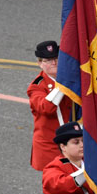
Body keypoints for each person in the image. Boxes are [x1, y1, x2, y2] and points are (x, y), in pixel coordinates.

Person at [28, 40, 74, 171]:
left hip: (73, 141)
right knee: (57, 185)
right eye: (47, 60)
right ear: (40, 63)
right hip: (51, 146)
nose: (53, 63)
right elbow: (46, 108)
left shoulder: (71, 78)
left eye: (56, 58)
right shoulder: (36, 86)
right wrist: (62, 86)